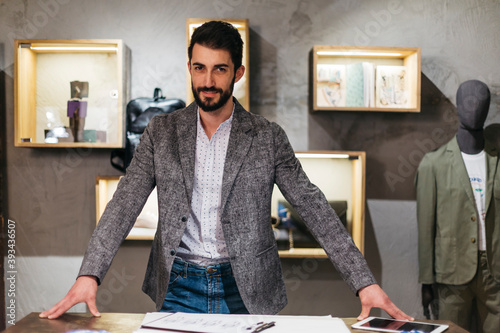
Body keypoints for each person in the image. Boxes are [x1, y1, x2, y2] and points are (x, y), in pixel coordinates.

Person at [41, 20, 412, 320]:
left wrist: (364, 283)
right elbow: (123, 204)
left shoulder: (267, 136)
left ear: (238, 72)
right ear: (189, 67)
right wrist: (89, 274)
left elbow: (315, 208)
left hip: (247, 288)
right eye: (199, 68)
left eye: (220, 69)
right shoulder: (161, 132)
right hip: (179, 286)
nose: (207, 81)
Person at [416, 80, 500, 332]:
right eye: (468, 102)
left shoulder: (497, 159)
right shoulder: (433, 164)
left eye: (481, 103)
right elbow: (426, 226)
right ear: (457, 107)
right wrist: (426, 281)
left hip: (495, 272)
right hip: (451, 272)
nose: (474, 109)